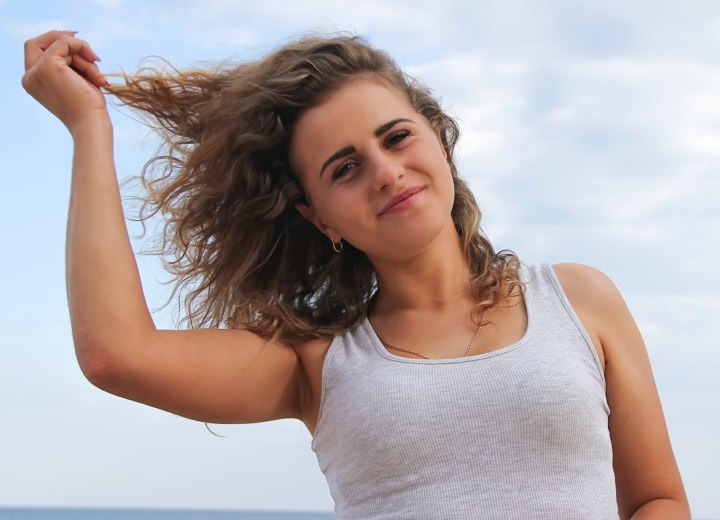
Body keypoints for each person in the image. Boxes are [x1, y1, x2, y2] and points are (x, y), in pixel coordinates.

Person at [22, 30, 690, 519]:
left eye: (397, 137)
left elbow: (658, 499)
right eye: (345, 167)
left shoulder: (579, 299)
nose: (386, 171)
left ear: (438, 139)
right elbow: (116, 355)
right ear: (321, 220)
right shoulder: (318, 362)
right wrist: (89, 128)